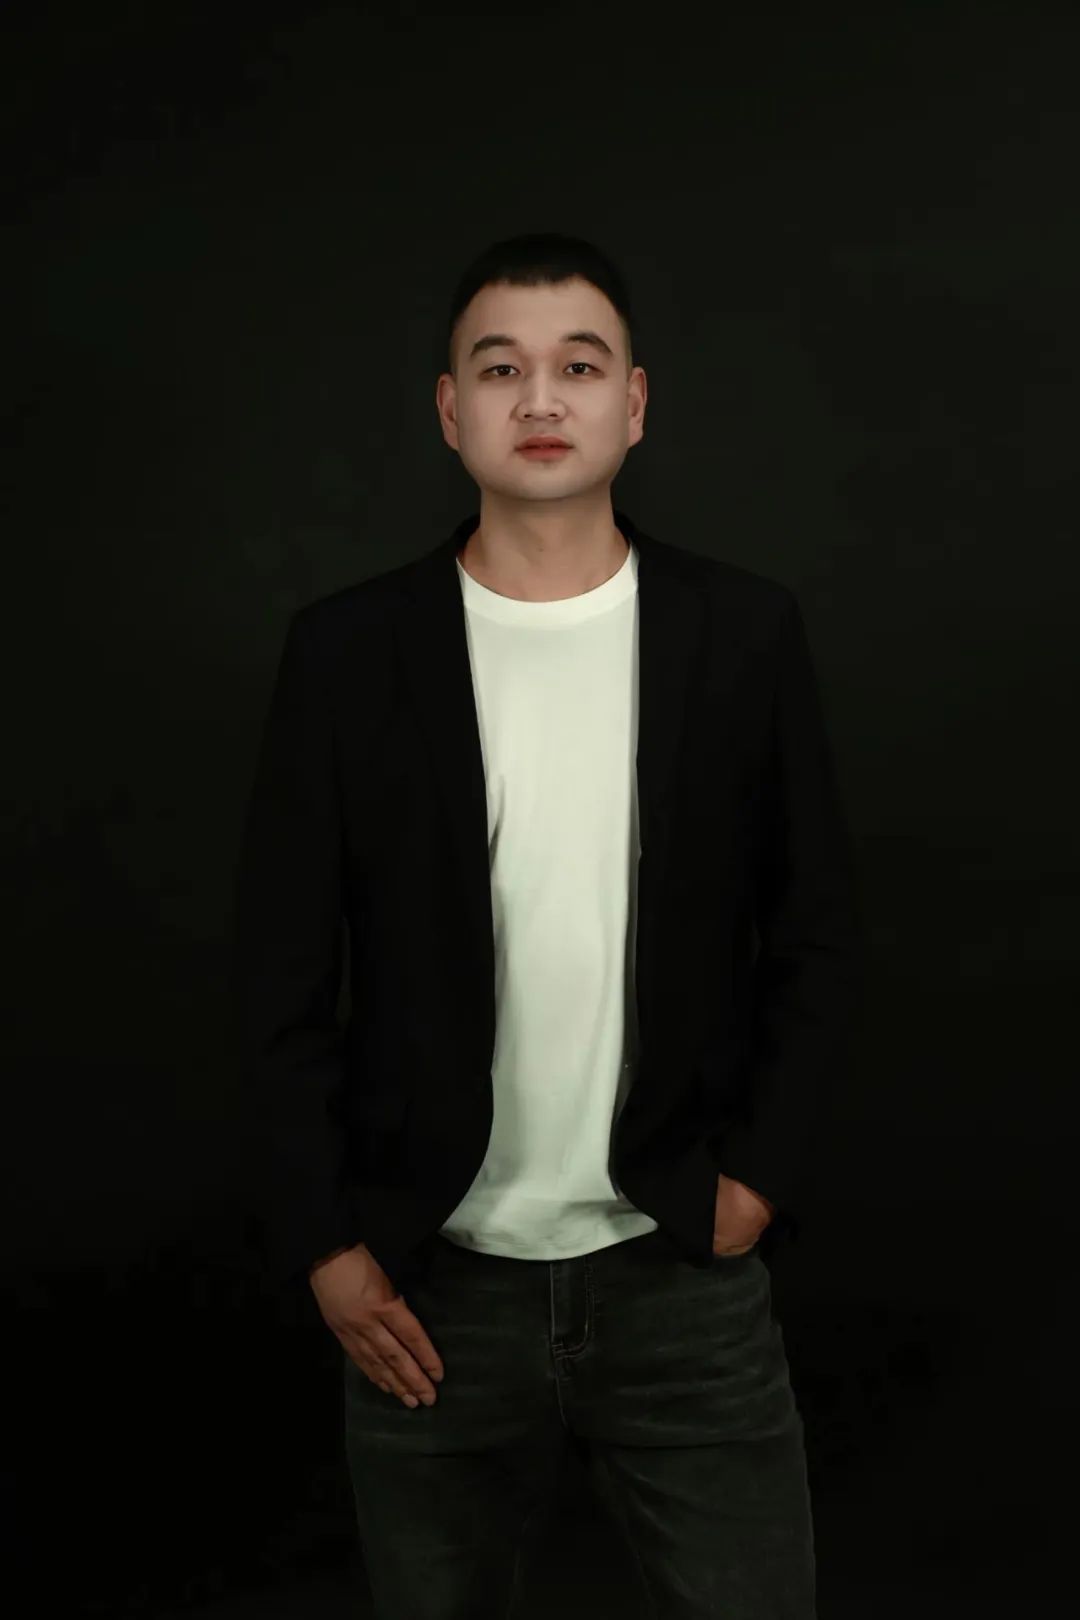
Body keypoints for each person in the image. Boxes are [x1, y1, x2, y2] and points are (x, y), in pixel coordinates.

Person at [231, 230, 865, 1619]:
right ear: (449, 409)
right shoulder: (347, 654)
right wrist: (326, 1250)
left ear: (633, 404)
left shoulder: (742, 633)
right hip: (426, 1286)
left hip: (679, 1269)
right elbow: (277, 982)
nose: (539, 399)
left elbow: (817, 935)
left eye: (578, 367)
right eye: (499, 368)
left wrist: (756, 1180)